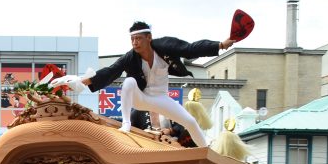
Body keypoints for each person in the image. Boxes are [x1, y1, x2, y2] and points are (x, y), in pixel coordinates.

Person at [83, 20, 233, 144]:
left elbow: (190, 49)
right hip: (141, 98)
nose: (135, 43)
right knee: (129, 81)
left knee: (191, 122)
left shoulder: (165, 46)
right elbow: (111, 71)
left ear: (149, 37)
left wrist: (220, 45)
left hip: (161, 99)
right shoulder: (130, 57)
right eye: (132, 39)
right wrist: (84, 82)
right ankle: (126, 124)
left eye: (138, 38)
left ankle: (206, 151)